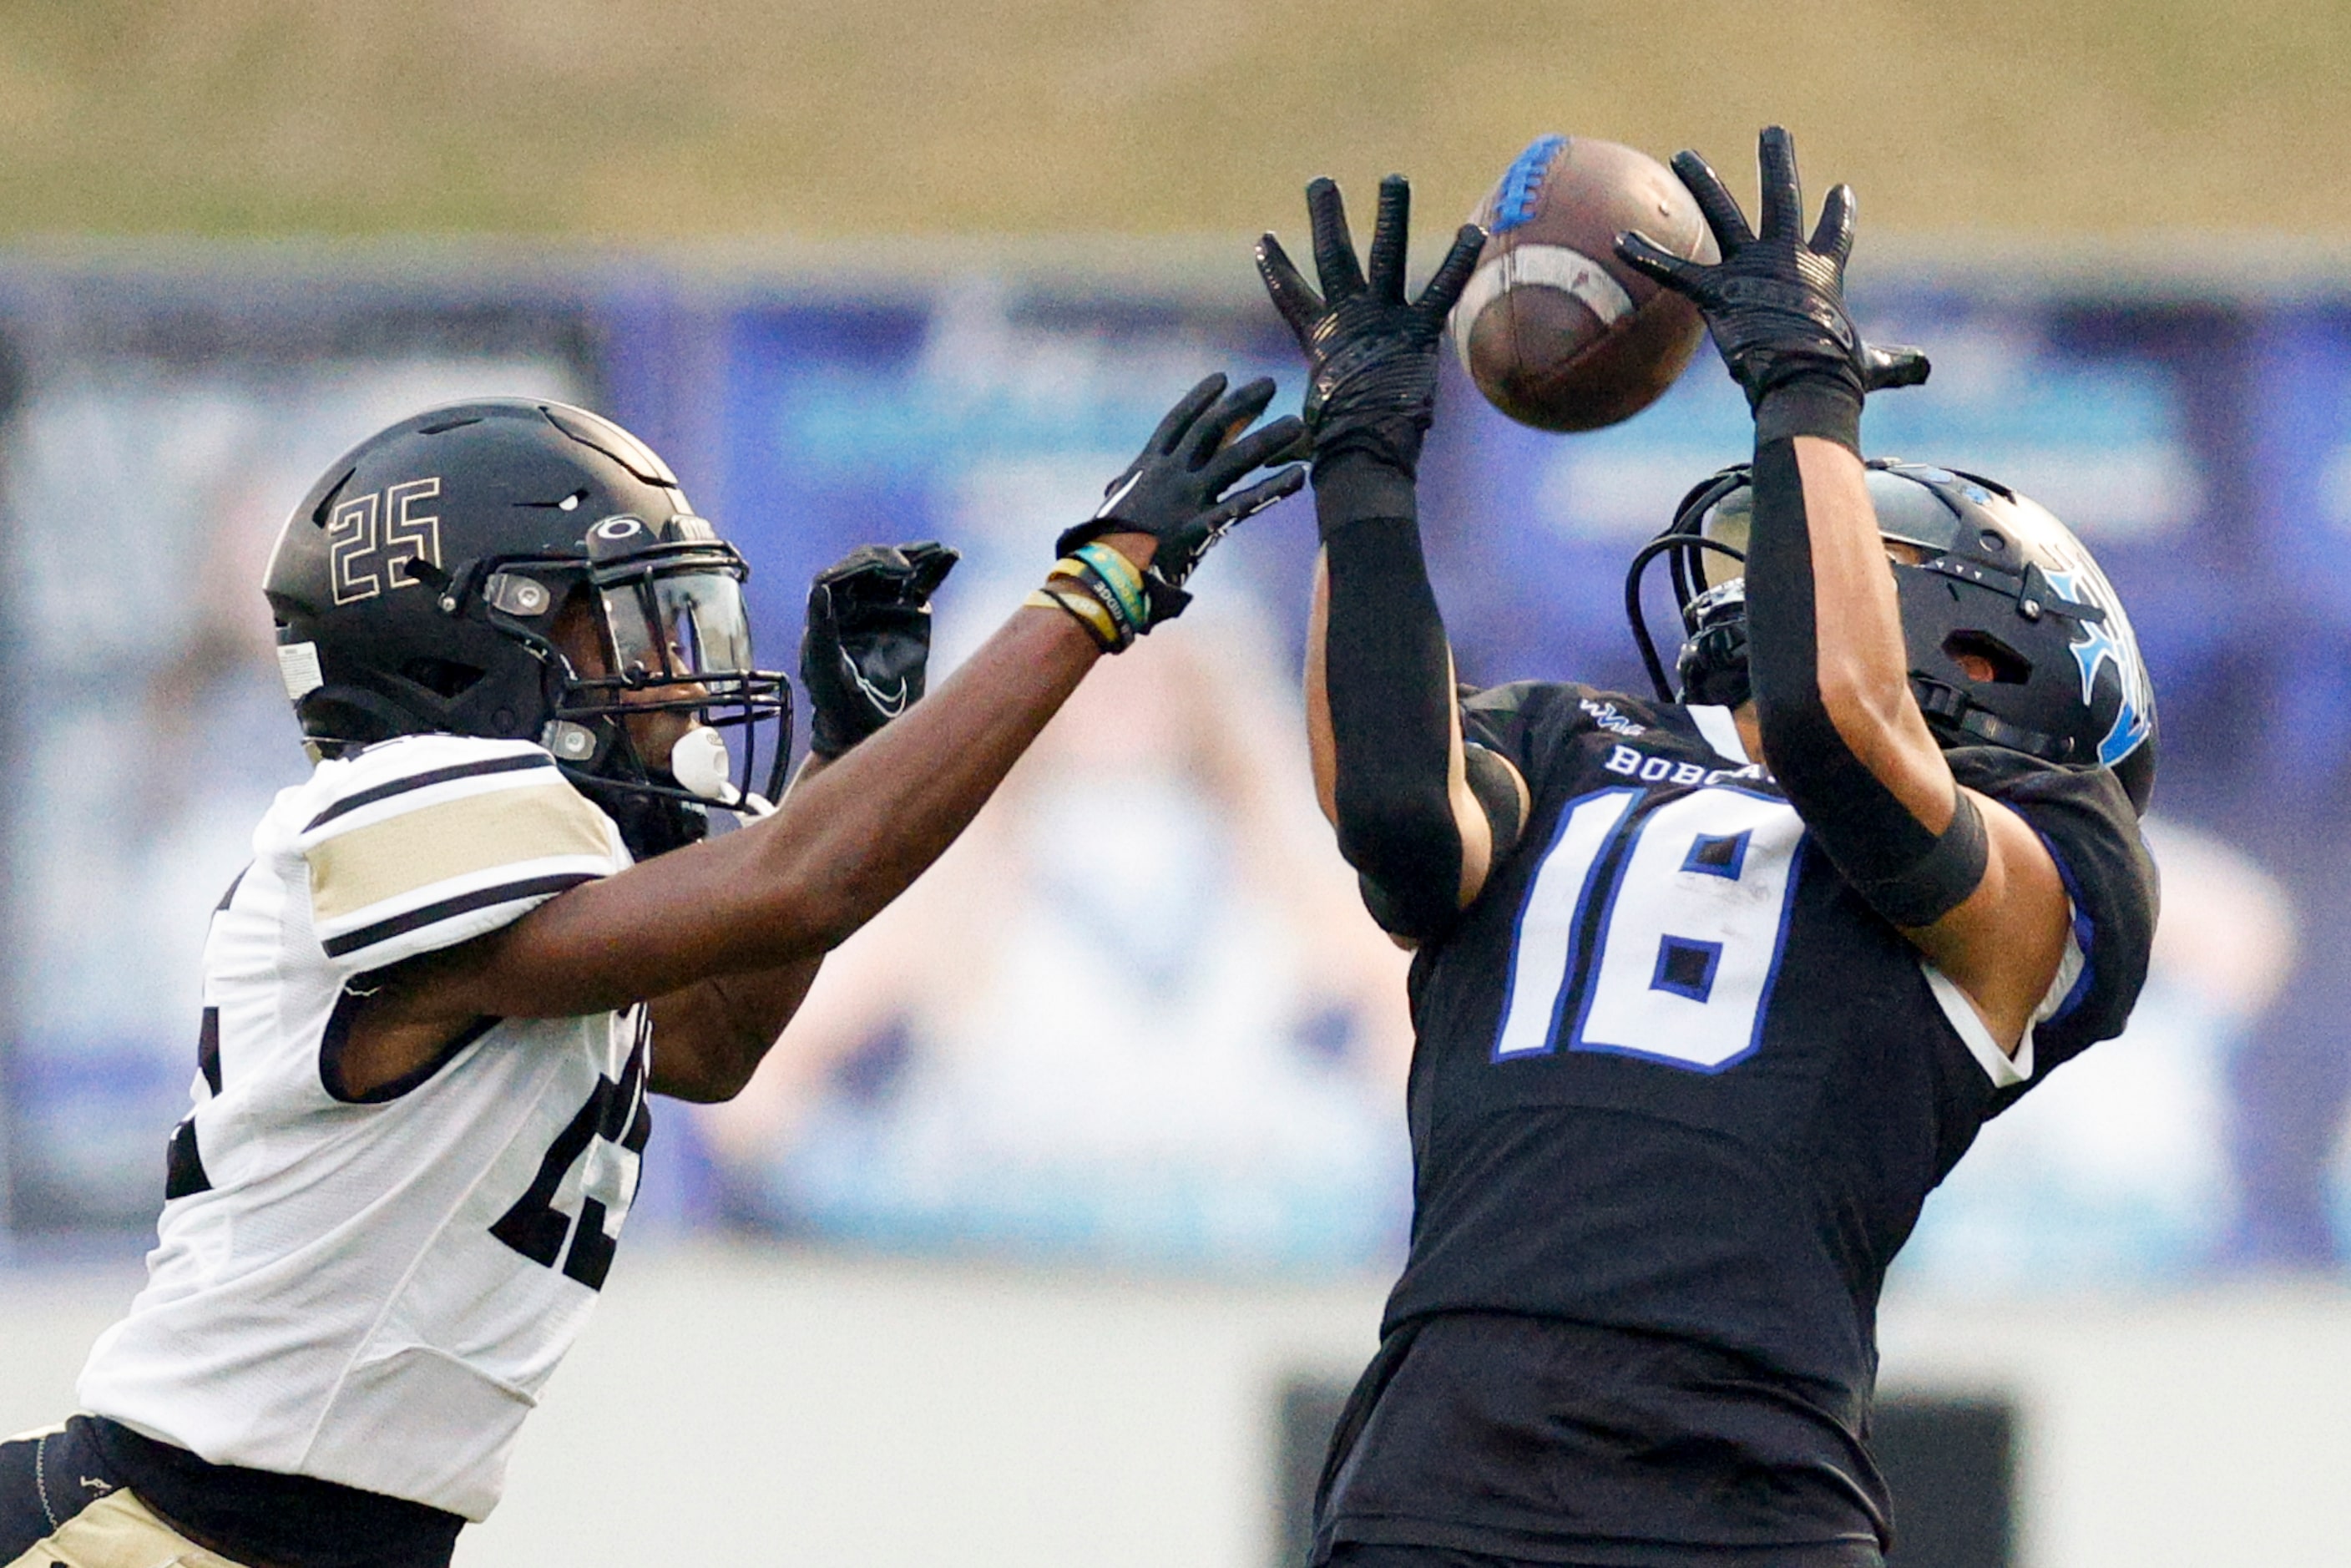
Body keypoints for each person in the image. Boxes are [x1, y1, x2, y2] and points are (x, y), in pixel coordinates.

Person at [1, 384, 1302, 1568]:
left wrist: (844, 760)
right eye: (622, 622)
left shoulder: (524, 895)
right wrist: (1093, 594)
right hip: (152, 1534)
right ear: (482, 643)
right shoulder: (384, 810)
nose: (672, 674)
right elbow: (800, 881)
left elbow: (719, 1040)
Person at [1253, 129, 2159, 1566]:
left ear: (1996, 656)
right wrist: (1363, 465)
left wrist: (1806, 392)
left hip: (1742, 1496)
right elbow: (1396, 818)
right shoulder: (1556, 741)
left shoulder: (2059, 865)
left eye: (1885, 560)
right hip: (1445, 1464)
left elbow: (1840, 735)